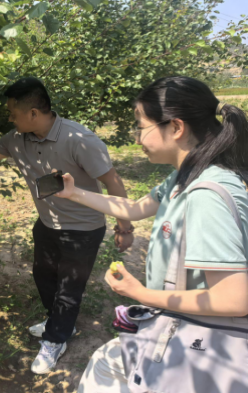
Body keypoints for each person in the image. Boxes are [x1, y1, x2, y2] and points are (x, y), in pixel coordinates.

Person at [0, 77, 134, 374]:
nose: (10, 119)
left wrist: (124, 228)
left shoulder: (79, 139)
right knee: (43, 276)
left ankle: (56, 339)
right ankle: (59, 322)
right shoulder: (16, 139)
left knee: (69, 288)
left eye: (13, 113)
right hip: (48, 223)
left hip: (83, 229)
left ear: (33, 113)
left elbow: (112, 181)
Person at [52, 76, 248, 392]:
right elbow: (134, 208)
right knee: (105, 364)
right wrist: (74, 193)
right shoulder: (185, 177)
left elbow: (234, 299)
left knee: (105, 368)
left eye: (141, 126)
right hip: (181, 325)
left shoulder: (206, 196)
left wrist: (140, 293)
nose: (137, 136)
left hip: (201, 339)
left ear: (176, 127)